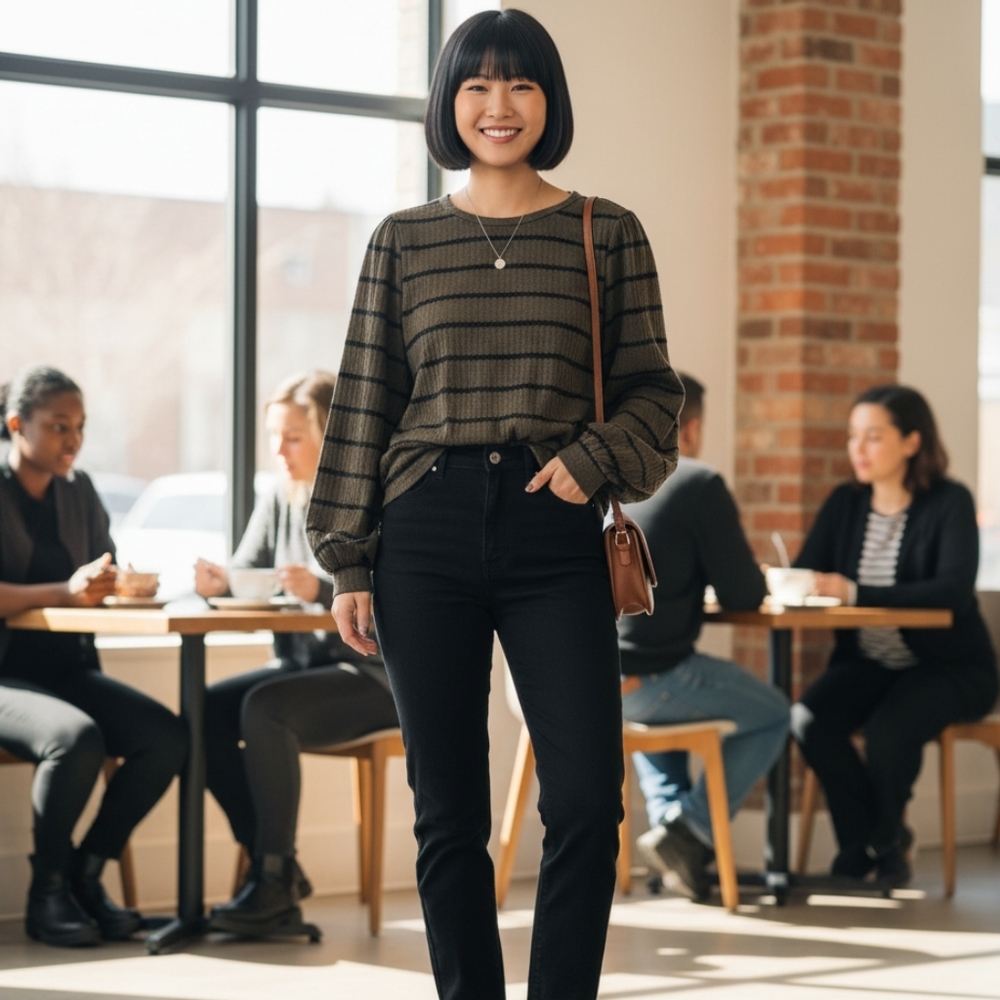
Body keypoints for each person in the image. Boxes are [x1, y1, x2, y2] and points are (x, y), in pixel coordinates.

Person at [306, 10, 683, 999]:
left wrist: (591, 459)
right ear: (450, 102)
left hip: (552, 522)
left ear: (549, 101)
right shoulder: (403, 239)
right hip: (421, 529)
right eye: (476, 85)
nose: (498, 105)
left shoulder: (605, 230)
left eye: (520, 83)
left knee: (587, 801)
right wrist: (348, 560)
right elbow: (364, 403)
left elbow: (656, 392)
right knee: (447, 812)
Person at [196, 371, 398, 937]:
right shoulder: (280, 497)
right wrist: (221, 582)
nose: (279, 451)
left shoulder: (371, 498)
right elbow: (247, 571)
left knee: (265, 708)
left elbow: (398, 598)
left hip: (373, 677)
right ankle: (278, 870)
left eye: (292, 437)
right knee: (205, 710)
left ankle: (272, 878)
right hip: (304, 666)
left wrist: (324, 586)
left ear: (329, 436)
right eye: (273, 437)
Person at [0, 365, 188, 948]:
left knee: (166, 737)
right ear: (16, 425)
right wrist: (66, 591)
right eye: (59, 426)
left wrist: (119, 585)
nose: (73, 440)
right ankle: (47, 893)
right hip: (7, 676)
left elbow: (101, 569)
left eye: (79, 427)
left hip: (70, 669)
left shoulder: (78, 490)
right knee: (75, 738)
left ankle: (85, 872)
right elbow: (65, 589)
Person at [792, 384, 998, 886]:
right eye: (852, 436)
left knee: (889, 731)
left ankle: (876, 846)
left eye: (873, 437)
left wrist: (856, 592)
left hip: (951, 668)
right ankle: (874, 840)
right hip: (871, 664)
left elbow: (951, 591)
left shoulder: (950, 501)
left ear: (911, 441)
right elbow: (806, 570)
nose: (857, 449)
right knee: (809, 720)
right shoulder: (845, 503)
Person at [618, 373, 789, 900]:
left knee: (665, 694)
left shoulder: (605, 477)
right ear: (689, 429)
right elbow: (744, 594)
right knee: (774, 713)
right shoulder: (696, 480)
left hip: (582, 679)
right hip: (645, 680)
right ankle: (688, 829)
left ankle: (677, 845)